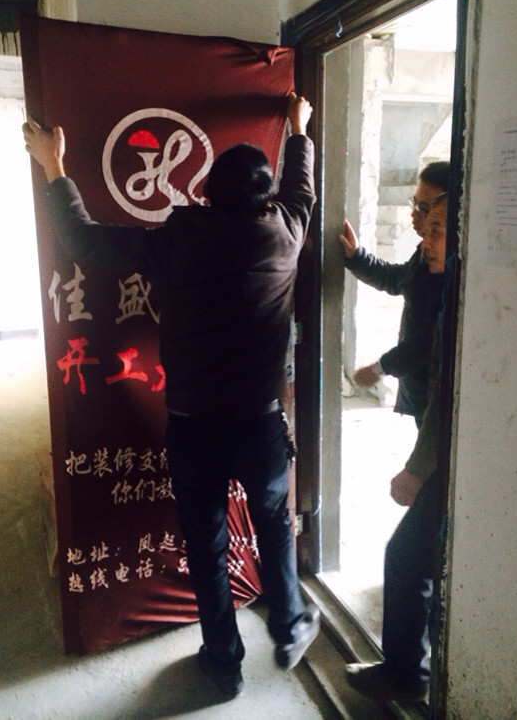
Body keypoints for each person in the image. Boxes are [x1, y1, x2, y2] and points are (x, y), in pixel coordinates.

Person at [23, 92, 320, 701]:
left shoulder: (178, 239)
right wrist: (298, 129)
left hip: (194, 428)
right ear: (265, 198)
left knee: (207, 547)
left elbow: (81, 239)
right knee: (273, 527)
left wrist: (55, 166)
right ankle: (290, 626)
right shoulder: (286, 231)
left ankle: (224, 665)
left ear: (206, 194)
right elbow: (302, 191)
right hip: (261, 426)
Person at [345, 193, 449, 702]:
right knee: (423, 556)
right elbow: (395, 279)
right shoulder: (435, 272)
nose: (421, 231)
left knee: (407, 557)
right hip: (432, 426)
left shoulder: (460, 296)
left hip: (444, 445)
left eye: (435, 224)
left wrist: (416, 469)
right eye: (421, 215)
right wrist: (356, 257)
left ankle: (408, 674)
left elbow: (447, 395)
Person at [339, 162, 450, 427]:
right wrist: (357, 257)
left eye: (424, 208)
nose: (414, 214)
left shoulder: (448, 268)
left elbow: (425, 343)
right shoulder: (427, 251)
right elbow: (399, 279)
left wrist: (380, 368)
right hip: (419, 389)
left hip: (435, 392)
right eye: (414, 203)